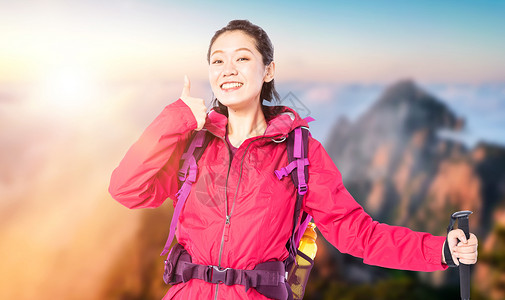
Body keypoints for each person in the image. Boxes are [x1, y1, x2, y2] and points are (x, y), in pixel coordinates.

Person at [108, 19, 478, 300]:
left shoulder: (300, 152)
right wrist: (177, 118)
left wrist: (441, 250)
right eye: (217, 60)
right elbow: (126, 189)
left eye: (242, 58)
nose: (228, 69)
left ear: (268, 70)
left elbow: (356, 233)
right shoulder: (193, 145)